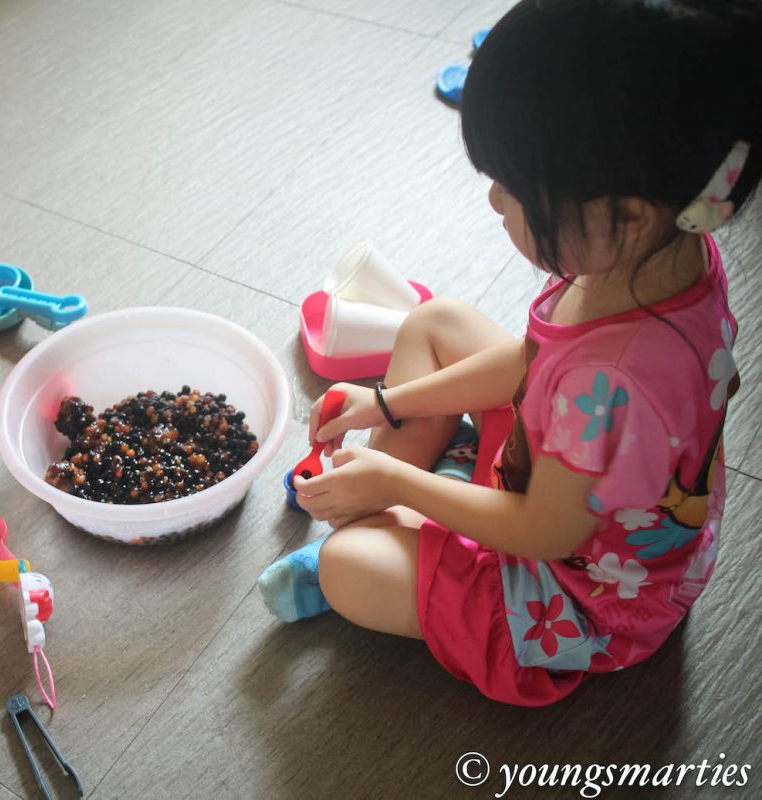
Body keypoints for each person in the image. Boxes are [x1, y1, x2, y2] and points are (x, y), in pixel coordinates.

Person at [259, 0, 761, 705]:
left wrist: (399, 484)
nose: (495, 200)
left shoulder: (612, 379)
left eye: (517, 188)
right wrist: (387, 401)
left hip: (578, 595)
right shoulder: (661, 256)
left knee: (346, 566)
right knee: (435, 321)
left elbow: (544, 533)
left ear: (626, 216)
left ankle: (387, 516)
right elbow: (533, 359)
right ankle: (393, 505)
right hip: (572, 483)